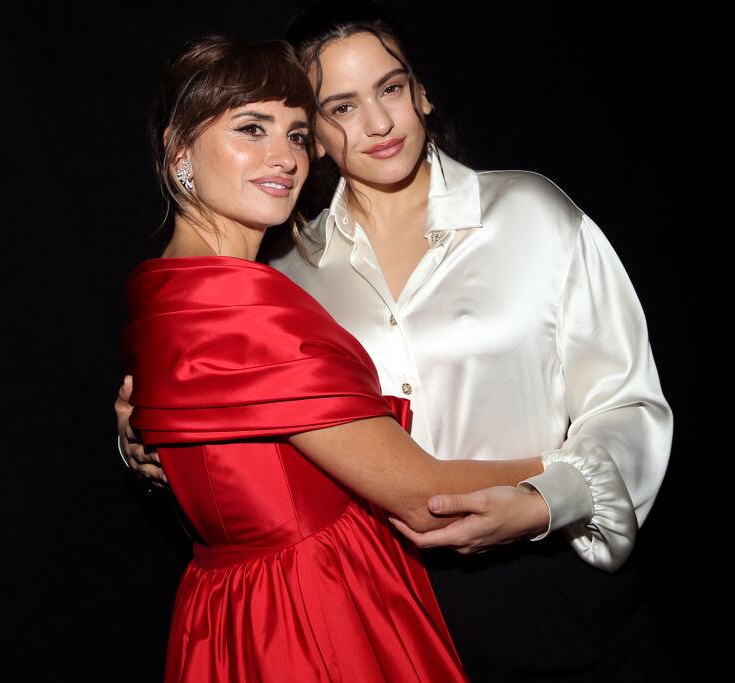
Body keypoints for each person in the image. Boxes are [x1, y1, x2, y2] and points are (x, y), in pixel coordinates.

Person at [118, 2, 673, 680]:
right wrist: (154, 438)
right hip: (389, 604)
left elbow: (630, 407)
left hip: (551, 586)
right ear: (319, 133)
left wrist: (553, 494)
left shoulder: (531, 214)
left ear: (421, 92)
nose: (378, 123)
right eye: (341, 107)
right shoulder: (282, 274)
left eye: (390, 88)